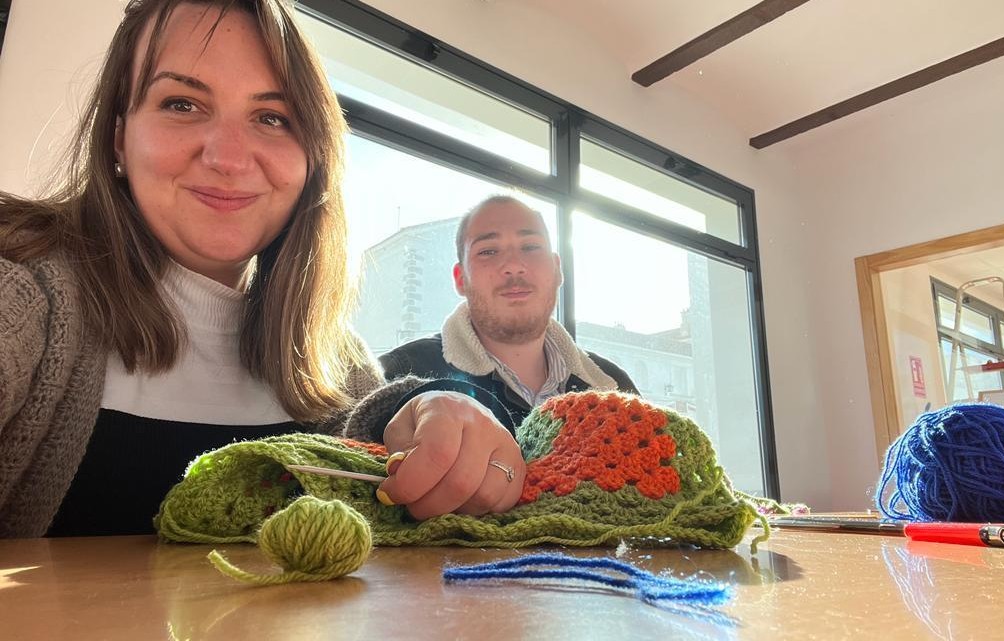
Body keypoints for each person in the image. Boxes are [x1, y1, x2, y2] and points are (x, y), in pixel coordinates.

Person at [0, 0, 519, 536]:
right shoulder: (23, 290)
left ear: (312, 157)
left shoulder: (333, 355)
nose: (229, 157)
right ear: (117, 137)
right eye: (182, 104)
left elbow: (374, 431)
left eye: (272, 118)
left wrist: (441, 414)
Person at [379, 195, 640, 430]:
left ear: (557, 269)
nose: (514, 266)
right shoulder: (394, 376)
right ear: (460, 279)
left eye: (530, 247)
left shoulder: (615, 386)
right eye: (488, 251)